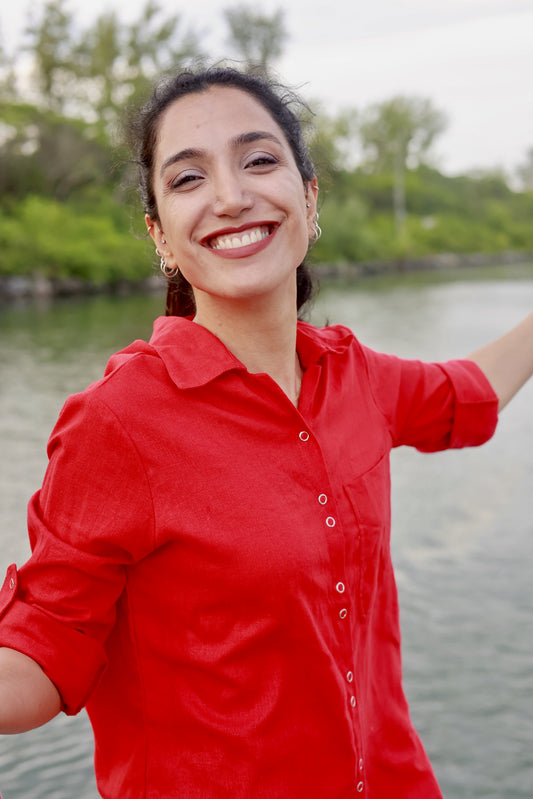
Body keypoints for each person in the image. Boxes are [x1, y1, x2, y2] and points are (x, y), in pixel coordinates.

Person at [0, 65, 532, 799]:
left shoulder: (354, 376)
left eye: (258, 160)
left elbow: (466, 393)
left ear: (309, 200)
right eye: (187, 179)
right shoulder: (117, 420)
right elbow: (42, 653)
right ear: (160, 236)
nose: (229, 195)